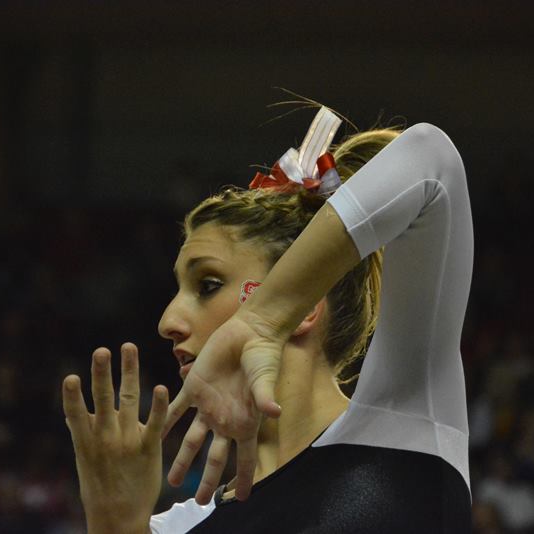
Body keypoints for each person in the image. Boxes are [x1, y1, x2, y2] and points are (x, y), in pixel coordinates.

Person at [61, 106, 474, 533]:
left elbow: (431, 163)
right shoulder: (179, 527)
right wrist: (116, 525)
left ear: (304, 307)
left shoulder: (406, 421)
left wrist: (262, 319)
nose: (168, 320)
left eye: (208, 284)